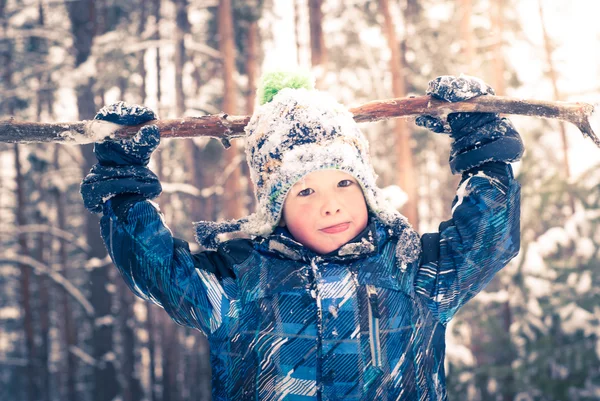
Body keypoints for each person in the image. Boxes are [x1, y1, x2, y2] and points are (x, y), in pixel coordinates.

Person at [80, 72, 524, 401]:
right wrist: (124, 183)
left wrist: (481, 144)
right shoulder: (239, 284)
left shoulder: (414, 273)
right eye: (305, 190)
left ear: (367, 190)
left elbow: (488, 237)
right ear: (276, 208)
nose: (330, 204)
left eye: (345, 184)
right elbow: (154, 268)